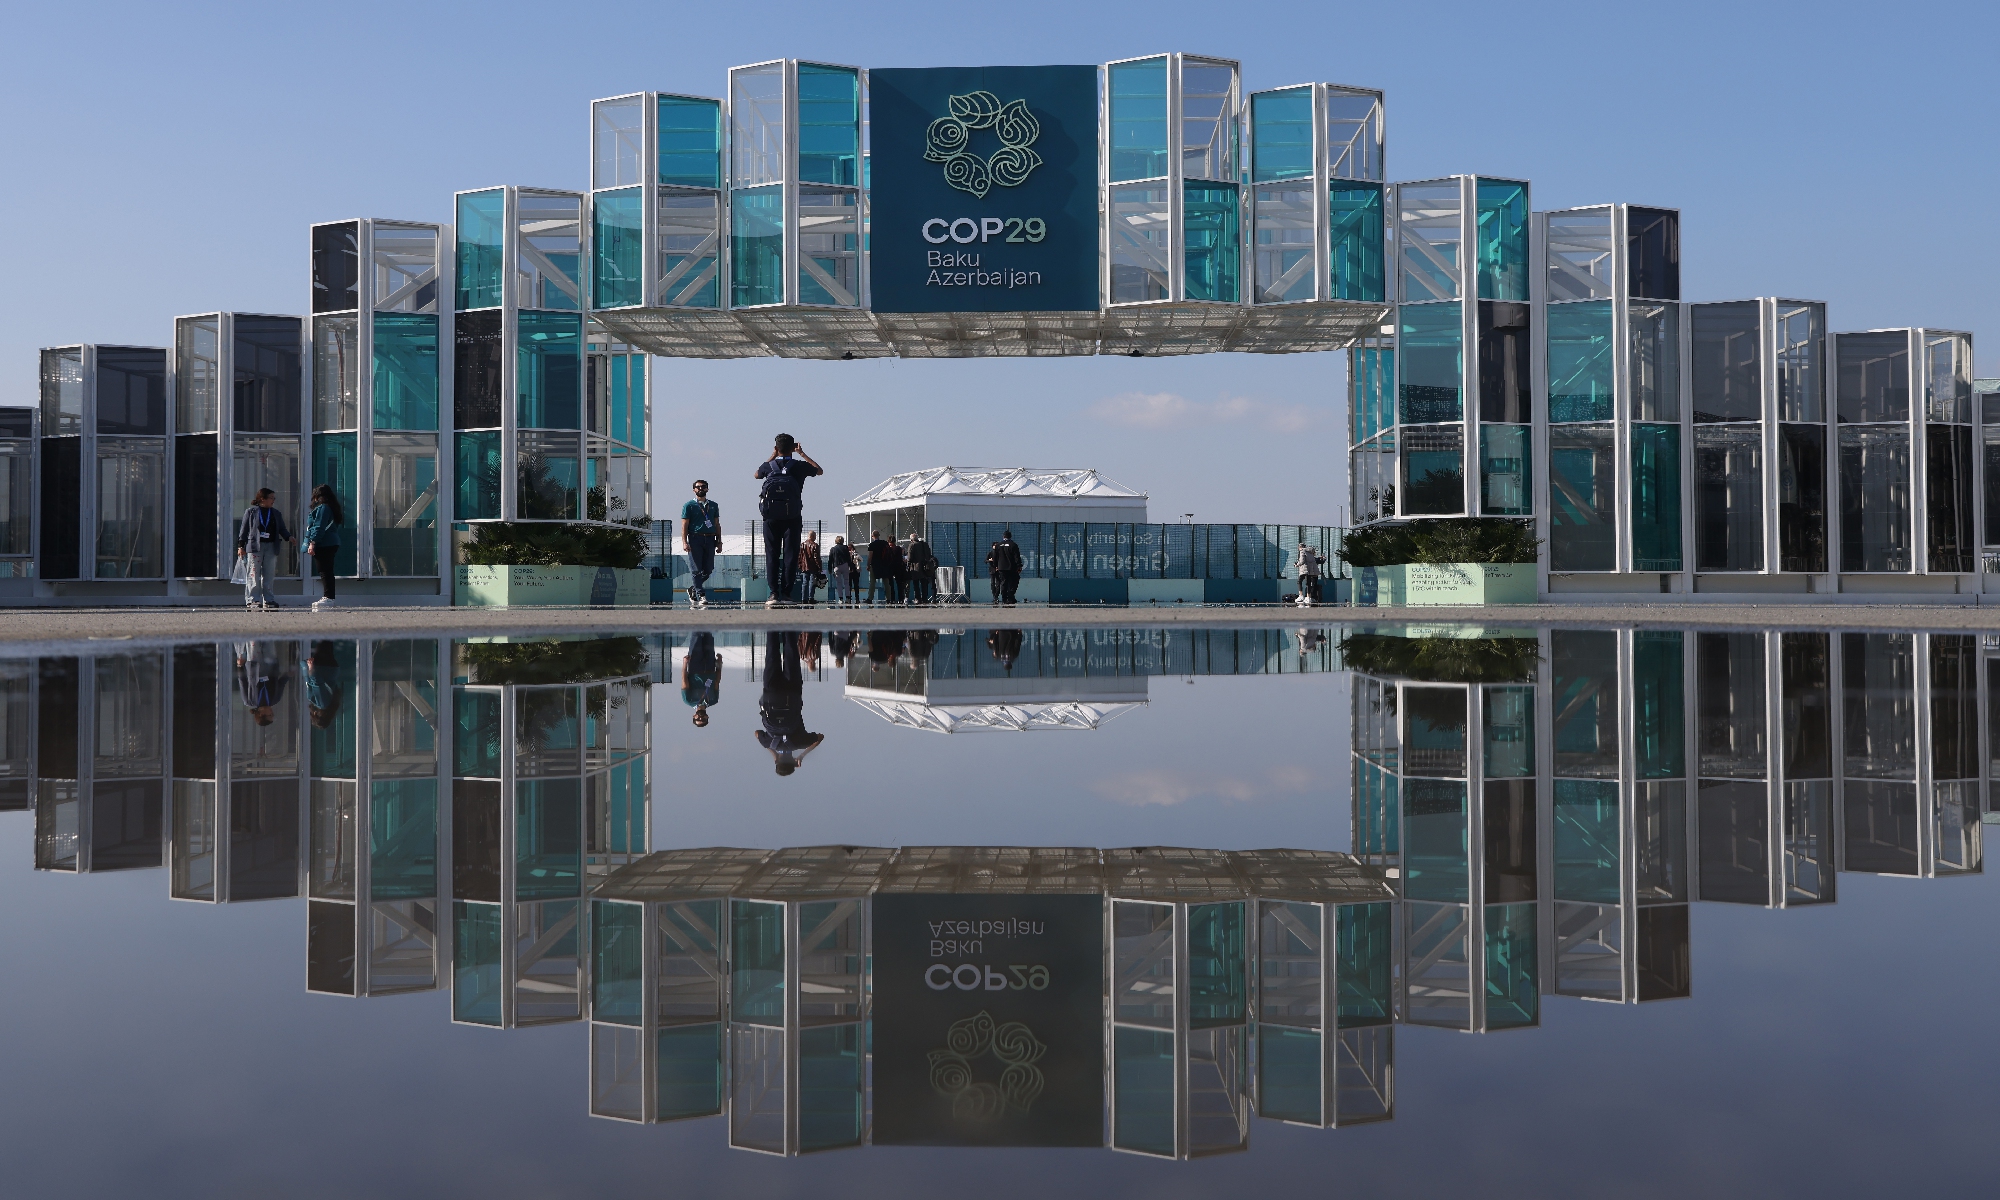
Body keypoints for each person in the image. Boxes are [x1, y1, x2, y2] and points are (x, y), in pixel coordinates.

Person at [753, 434, 823, 609]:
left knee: (772, 555)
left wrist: (773, 455)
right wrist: (802, 454)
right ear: (793, 448)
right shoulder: (798, 466)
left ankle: (773, 593)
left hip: (770, 517)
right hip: (792, 517)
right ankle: (787, 594)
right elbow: (819, 470)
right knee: (790, 556)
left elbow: (756, 475)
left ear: (776, 448)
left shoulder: (768, 466)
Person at [755, 630, 823, 775]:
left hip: (792, 693)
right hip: (771, 693)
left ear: (793, 761)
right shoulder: (768, 742)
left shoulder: (798, 743)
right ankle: (772, 620)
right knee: (771, 654)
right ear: (777, 762)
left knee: (791, 653)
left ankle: (789, 621)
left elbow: (820, 738)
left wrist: (802, 755)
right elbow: (757, 733)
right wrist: (773, 752)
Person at [235, 487, 295, 611]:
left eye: (274, 498)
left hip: (271, 546)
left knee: (269, 574)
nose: (273, 500)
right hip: (255, 547)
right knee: (253, 574)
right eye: (271, 498)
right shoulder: (251, 512)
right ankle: (253, 599)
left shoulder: (276, 513)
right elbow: (244, 531)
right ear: (262, 499)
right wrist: (241, 546)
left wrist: (289, 537)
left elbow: (282, 529)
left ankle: (269, 599)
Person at [301, 485, 343, 611]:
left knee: (325, 570)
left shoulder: (323, 508)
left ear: (317, 497)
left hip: (324, 543)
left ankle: (329, 597)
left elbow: (319, 526)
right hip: (330, 541)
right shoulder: (331, 508)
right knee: (326, 570)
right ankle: (328, 596)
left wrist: (312, 542)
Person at [680, 479, 720, 608]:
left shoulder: (713, 505)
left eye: (703, 487)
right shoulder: (689, 505)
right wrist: (684, 542)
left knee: (708, 569)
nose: (700, 489)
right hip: (695, 538)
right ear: (694, 490)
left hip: (709, 539)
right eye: (698, 487)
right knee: (696, 569)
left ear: (707, 489)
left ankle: (693, 588)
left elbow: (717, 524)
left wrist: (719, 541)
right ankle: (701, 594)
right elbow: (684, 525)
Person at [682, 631, 720, 727]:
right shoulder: (713, 700)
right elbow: (717, 682)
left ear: (693, 716)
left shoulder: (688, 700)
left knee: (696, 637)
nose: (700, 718)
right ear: (707, 717)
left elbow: (684, 681)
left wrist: (685, 663)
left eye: (698, 719)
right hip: (710, 667)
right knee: (709, 636)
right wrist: (719, 664)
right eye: (703, 719)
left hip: (695, 668)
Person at [991, 529, 1024, 605]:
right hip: (1011, 567)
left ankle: (1004, 598)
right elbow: (1017, 557)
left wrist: (995, 566)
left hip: (1001, 567)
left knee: (1003, 582)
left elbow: (995, 557)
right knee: (1014, 581)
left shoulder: (998, 545)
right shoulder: (1013, 545)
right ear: (1010, 536)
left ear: (1003, 536)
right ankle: (1010, 596)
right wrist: (1019, 566)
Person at [905, 530, 937, 604]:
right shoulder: (925, 544)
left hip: (915, 567)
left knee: (916, 584)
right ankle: (924, 598)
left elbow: (909, 558)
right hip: (925, 567)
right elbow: (929, 554)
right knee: (924, 584)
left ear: (911, 539)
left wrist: (908, 566)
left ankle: (918, 598)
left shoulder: (912, 545)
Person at [866, 529, 896, 605]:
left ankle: (870, 598)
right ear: (879, 535)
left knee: (872, 582)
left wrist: (868, 564)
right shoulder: (885, 543)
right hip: (885, 564)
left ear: (872, 536)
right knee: (886, 582)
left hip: (875, 565)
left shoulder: (872, 545)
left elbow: (870, 556)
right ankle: (888, 599)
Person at [827, 535, 857, 606]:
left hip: (837, 566)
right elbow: (848, 558)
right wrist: (851, 566)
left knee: (839, 583)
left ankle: (840, 598)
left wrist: (829, 569)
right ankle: (848, 597)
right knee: (846, 582)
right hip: (845, 565)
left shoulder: (833, 549)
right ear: (842, 541)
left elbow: (830, 560)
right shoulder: (845, 548)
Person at [796, 530, 823, 605]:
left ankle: (803, 599)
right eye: (815, 536)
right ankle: (811, 598)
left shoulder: (802, 545)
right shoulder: (815, 545)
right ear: (813, 536)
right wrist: (819, 567)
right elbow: (816, 557)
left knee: (804, 582)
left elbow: (800, 557)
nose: (815, 538)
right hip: (813, 566)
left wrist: (800, 565)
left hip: (804, 566)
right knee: (812, 582)